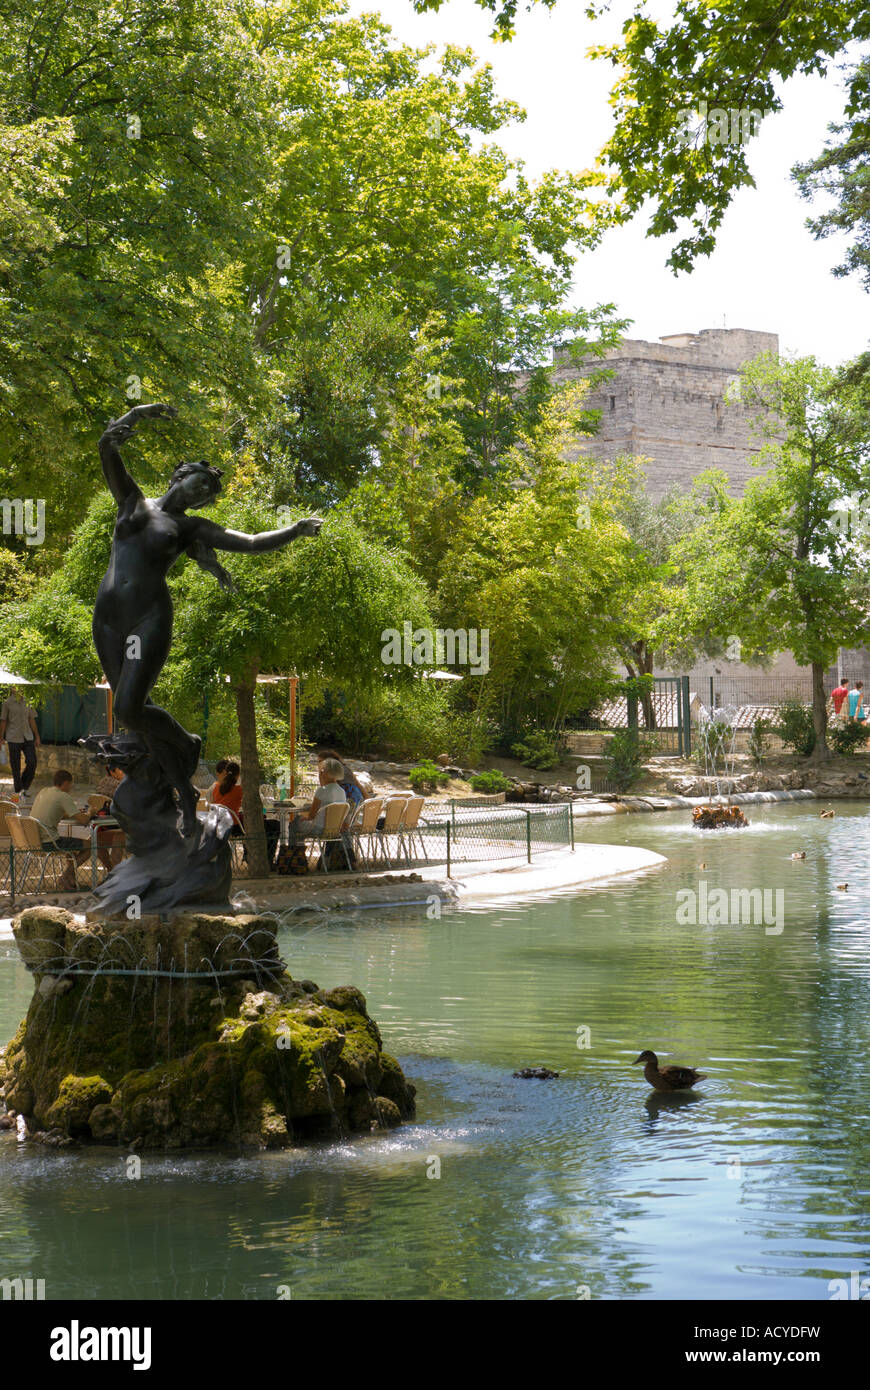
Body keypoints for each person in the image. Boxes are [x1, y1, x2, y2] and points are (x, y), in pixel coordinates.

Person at [92, 402, 321, 837]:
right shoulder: (132, 500)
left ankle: (184, 743)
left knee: (127, 706)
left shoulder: (191, 528)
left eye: (206, 496)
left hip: (148, 619)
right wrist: (138, 413)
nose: (199, 496)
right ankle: (182, 787)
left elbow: (251, 541)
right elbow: (107, 447)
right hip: (106, 619)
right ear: (180, 477)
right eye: (198, 485)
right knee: (132, 716)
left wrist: (292, 530)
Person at [30, 769, 116, 891]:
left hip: (35, 841)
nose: (71, 787)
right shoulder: (63, 796)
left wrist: (73, 813)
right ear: (65, 783)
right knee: (90, 844)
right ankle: (65, 877)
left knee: (72, 846)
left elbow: (56, 812)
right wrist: (90, 813)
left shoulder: (44, 791)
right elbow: (84, 821)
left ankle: (71, 880)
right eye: (71, 784)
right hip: (50, 842)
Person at [285, 758, 347, 848]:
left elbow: (311, 816)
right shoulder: (342, 791)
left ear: (327, 773)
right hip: (334, 829)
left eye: (322, 771)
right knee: (299, 824)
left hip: (318, 828)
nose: (320, 773)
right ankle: (299, 852)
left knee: (295, 823)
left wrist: (303, 817)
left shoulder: (322, 790)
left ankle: (294, 853)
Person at [0, 688, 40, 797]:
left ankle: (25, 786)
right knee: (15, 766)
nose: (18, 689)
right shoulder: (7, 703)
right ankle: (18, 791)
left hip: (28, 736)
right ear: (11, 689)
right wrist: (1, 738)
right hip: (13, 737)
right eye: (15, 687)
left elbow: (31, 719)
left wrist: (37, 736)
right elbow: (3, 720)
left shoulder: (28, 701)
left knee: (32, 762)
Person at [211, 761, 244, 828]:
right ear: (237, 775)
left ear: (226, 773)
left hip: (217, 823)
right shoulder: (239, 790)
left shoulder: (216, 787)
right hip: (232, 825)